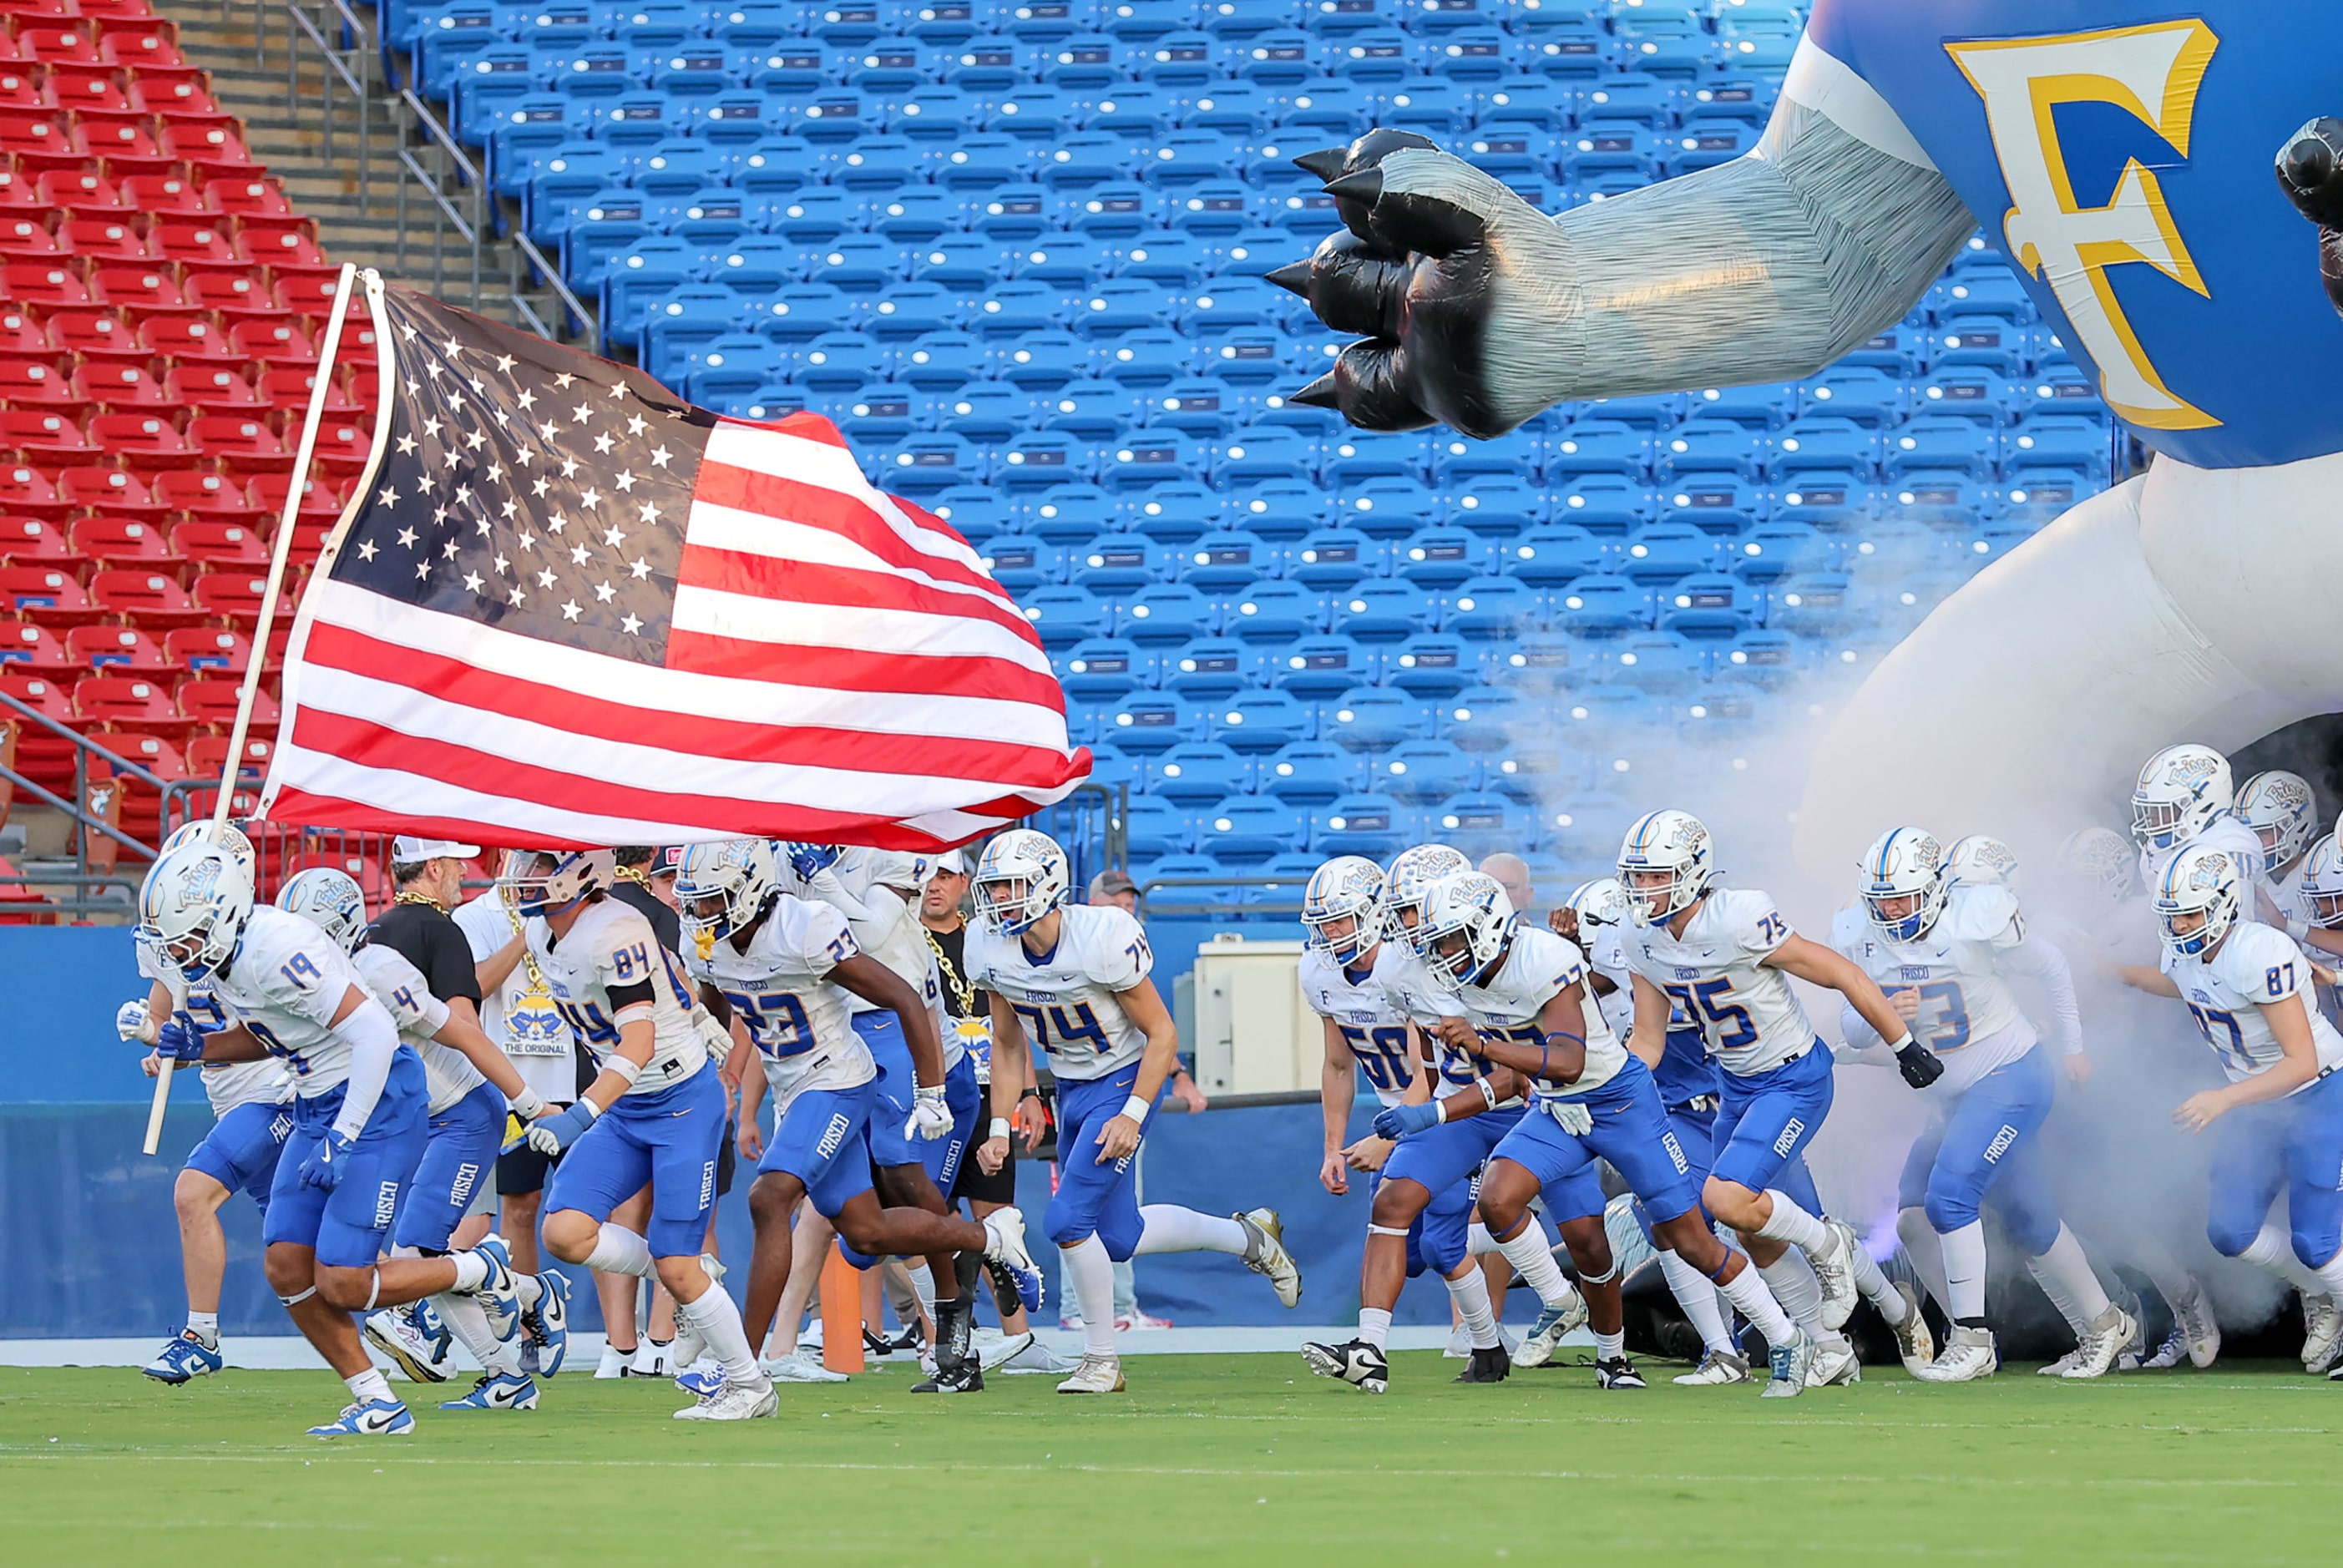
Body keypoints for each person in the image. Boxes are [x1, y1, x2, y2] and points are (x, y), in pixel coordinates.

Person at [1383, 870, 1819, 1396]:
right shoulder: (1458, 982)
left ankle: (1785, 1336)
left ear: (1488, 925)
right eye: (1437, 943)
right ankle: (1568, 1310)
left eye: (1451, 939)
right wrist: (1434, 1114)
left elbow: (1568, 1060)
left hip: (1621, 1103)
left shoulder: (1543, 958)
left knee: (1690, 1240)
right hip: (1556, 1107)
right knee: (1498, 1198)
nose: (1443, 954)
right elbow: (1518, 1073)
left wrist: (1482, 1047)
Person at [134, 839, 516, 1438]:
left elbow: (374, 1036)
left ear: (220, 918)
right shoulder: (230, 956)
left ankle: (477, 1268)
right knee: (287, 1266)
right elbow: (277, 1036)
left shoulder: (275, 950)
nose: (175, 953)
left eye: (183, 937)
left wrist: (343, 1135)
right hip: (319, 1099)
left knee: (344, 1281)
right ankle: (376, 1400)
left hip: (377, 1098)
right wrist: (199, 1050)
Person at [675, 839, 1042, 1399]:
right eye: (695, 903)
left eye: (712, 901)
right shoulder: (711, 936)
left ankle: (745, 1368)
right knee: (865, 1235)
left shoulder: (822, 905)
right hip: (798, 1079)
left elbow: (892, 980)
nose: (702, 915)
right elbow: (721, 990)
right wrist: (712, 1038)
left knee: (778, 1196)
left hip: (856, 1062)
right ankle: (988, 1239)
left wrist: (931, 1089)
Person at [1613, 809, 1941, 1389]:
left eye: (1655, 876)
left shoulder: (1738, 916)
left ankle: (1829, 1247)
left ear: (1692, 872)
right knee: (1757, 1233)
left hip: (1793, 1078)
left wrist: (1904, 1042)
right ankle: (1858, 1331)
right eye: (1636, 877)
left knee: (1728, 1200)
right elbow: (1648, 1041)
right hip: (1736, 1085)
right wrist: (1603, 1089)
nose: (1643, 889)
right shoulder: (1640, 939)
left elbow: (1841, 972)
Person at [965, 828, 1301, 1393]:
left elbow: (1163, 1032)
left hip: (1120, 1080)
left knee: (1067, 1221)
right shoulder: (989, 946)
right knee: (1118, 1237)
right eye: (994, 888)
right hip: (1068, 1086)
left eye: (1012, 886)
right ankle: (1250, 1238)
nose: (1000, 900)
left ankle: (1102, 1361)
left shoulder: (1101, 936)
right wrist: (999, 1124)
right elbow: (1005, 1043)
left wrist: (1134, 1111)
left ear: (1046, 885)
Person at [1829, 829, 2133, 1381]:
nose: (1893, 911)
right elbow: (1853, 1029)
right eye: (1882, 900)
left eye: (1903, 897)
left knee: (1950, 1199)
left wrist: (2074, 1048)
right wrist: (1879, 1007)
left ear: (1937, 890)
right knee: (1939, 1219)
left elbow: (2053, 968)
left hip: (2010, 1076)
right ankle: (2104, 1323)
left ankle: (1971, 1338)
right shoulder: (1864, 934)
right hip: (1954, 1097)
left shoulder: (1972, 920)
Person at [277, 867, 574, 1411]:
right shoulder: (294, 981)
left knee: (415, 1258)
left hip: (460, 1114)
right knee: (420, 1264)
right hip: (409, 1124)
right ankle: (521, 1326)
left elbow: (463, 1030)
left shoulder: (378, 971)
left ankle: (511, 1332)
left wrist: (530, 1105)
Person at [502, 848, 774, 1421]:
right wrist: (697, 1016)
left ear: (581, 874)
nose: (524, 877)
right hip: (627, 1104)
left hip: (677, 1102)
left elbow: (640, 1043)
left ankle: (751, 1387)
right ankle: (689, 1273)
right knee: (565, 1232)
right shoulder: (539, 933)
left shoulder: (614, 931)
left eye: (540, 866)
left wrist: (579, 1115)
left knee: (679, 1264)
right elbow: (672, 970)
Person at [2118, 844, 2343, 1379]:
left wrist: (2222, 1099)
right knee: (2230, 1232)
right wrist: (2111, 969)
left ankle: (2325, 1289)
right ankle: (2322, 1295)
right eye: (2172, 915)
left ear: (2222, 905)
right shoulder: (2186, 950)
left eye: (2190, 913)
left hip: (2317, 1092)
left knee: (2316, 1240)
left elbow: (2301, 1063)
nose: (2179, 925)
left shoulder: (2259, 951)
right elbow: (2182, 985)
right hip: (2258, 1103)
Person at [1297, 856, 1512, 1393]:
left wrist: (1389, 1136)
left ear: (1373, 914)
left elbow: (1430, 1073)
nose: (1329, 934)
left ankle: (1374, 1348)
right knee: (1420, 1253)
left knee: (1435, 1236)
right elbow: (1339, 1064)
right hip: (1398, 1115)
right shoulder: (1319, 972)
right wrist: (1332, 1146)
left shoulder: (1412, 964)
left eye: (1341, 920)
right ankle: (1492, 1330)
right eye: (1321, 923)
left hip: (1443, 1112)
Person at [1379, 842, 1583, 1369]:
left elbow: (1523, 1069)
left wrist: (1428, 1113)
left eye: (1415, 909)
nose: (1410, 924)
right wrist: (1421, 1104)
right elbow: (1423, 1052)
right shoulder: (1408, 971)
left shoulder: (1513, 958)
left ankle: (1600, 1337)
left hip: (1539, 1107)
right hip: (1465, 1104)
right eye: (1402, 912)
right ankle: (1480, 1341)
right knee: (1438, 1231)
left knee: (1582, 1227)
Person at [124, 825, 295, 1386]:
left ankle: (201, 1337)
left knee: (192, 1193)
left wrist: (186, 1048)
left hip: (275, 1091)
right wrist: (155, 1041)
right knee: (312, 1258)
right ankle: (480, 1281)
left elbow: (269, 1032)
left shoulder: (260, 940)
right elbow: (169, 1013)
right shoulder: (174, 941)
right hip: (231, 1099)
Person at [925, 850, 1062, 1374]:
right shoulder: (903, 938)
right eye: (927, 877)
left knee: (994, 1217)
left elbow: (1011, 1029)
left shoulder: (988, 936)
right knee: (922, 1217)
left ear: (963, 881)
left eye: (944, 875)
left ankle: (1019, 1341)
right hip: (931, 1091)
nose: (934, 887)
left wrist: (1028, 1092)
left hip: (990, 1091)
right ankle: (936, 1335)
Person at [451, 856, 584, 1375]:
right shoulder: (475, 917)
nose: (536, 876)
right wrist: (526, 933)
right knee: (520, 1208)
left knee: (599, 1208)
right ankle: (534, 1324)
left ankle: (632, 1342)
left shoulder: (572, 912)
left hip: (577, 1077)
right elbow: (474, 987)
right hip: (512, 1084)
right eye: (528, 865)